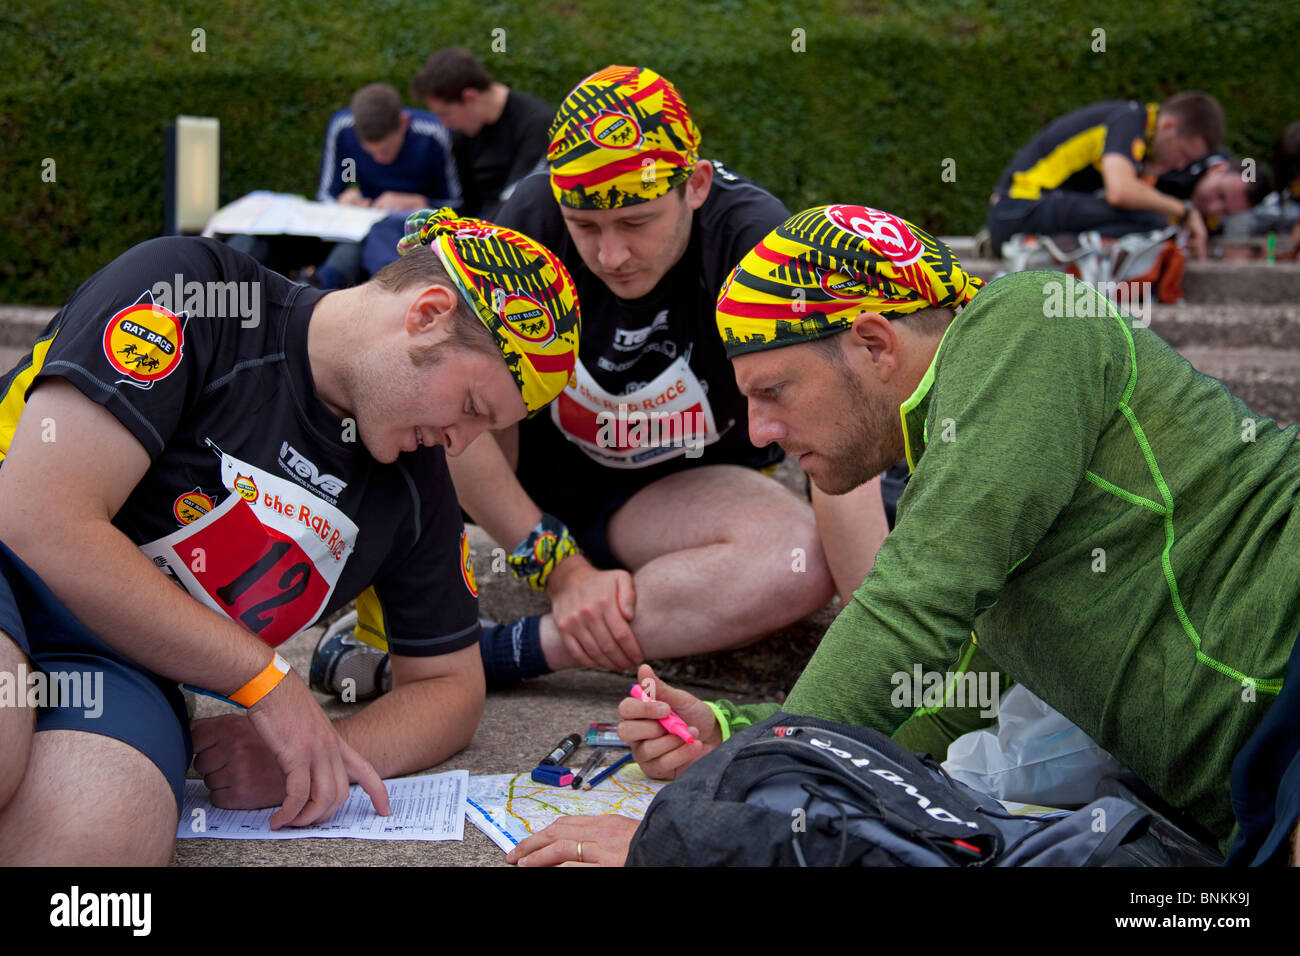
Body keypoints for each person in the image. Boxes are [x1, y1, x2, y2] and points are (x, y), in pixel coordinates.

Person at [508, 203, 1300, 866]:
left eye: (775, 390)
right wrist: (732, 731)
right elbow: (944, 705)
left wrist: (690, 830)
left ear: (874, 342)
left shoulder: (1022, 323)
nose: (757, 432)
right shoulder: (974, 463)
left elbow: (909, 607)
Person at [0, 209, 579, 864]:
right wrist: (265, 681)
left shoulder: (414, 485)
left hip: (122, 665)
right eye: (473, 407)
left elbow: (451, 687)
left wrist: (319, 753)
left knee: (100, 840)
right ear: (428, 314)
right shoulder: (194, 290)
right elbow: (39, 520)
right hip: (10, 565)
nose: (461, 442)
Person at [312, 65, 834, 695]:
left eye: (636, 224)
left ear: (694, 186)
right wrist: (560, 571)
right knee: (441, 387)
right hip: (530, 475)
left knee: (797, 558)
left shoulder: (753, 241)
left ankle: (501, 654)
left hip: (675, 492)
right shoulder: (530, 214)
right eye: (585, 228)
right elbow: (446, 395)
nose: (610, 256)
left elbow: (831, 434)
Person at [987, 92, 1227, 260]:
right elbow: (1120, 192)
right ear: (1168, 126)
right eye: (1182, 154)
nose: (1180, 164)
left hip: (1018, 212)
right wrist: (1184, 211)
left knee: (1152, 224)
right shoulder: (1129, 120)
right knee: (1150, 221)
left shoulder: (1140, 134)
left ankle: (1050, 251)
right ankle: (1036, 250)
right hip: (1019, 210)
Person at [313, 83, 462, 288]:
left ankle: (331, 283)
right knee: (364, 235)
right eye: (369, 152)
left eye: (385, 150)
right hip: (365, 217)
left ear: (403, 123)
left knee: (380, 235)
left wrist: (418, 202)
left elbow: (456, 203)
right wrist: (344, 199)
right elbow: (327, 194)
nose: (378, 159)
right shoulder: (343, 127)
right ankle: (322, 283)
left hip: (414, 221)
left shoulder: (434, 134)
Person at [411, 47, 554, 220]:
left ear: (470, 97)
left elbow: (520, 200)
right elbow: (468, 205)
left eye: (445, 114)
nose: (444, 124)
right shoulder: (463, 134)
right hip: (482, 231)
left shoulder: (537, 125)